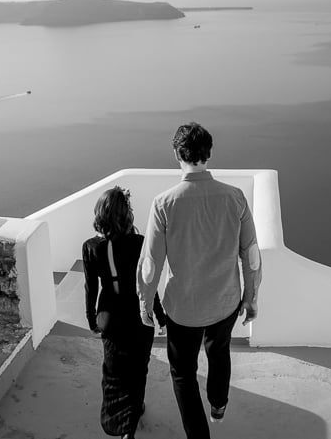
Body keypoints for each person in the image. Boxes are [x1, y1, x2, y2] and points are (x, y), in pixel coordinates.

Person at [136, 122, 262, 439]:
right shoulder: (235, 198)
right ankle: (218, 405)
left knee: (182, 372)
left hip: (182, 308)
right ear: (209, 153)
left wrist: (145, 300)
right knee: (219, 352)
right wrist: (251, 296)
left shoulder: (163, 204)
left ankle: (198, 435)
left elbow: (152, 261)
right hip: (225, 302)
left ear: (178, 154)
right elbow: (251, 254)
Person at [83, 186, 167, 439]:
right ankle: (131, 422)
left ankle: (116, 422)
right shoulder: (140, 243)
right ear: (126, 214)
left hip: (110, 317)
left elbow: (91, 287)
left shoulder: (91, 247)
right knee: (137, 370)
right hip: (139, 316)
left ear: (100, 214)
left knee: (114, 371)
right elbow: (148, 284)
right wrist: (160, 315)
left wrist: (91, 320)